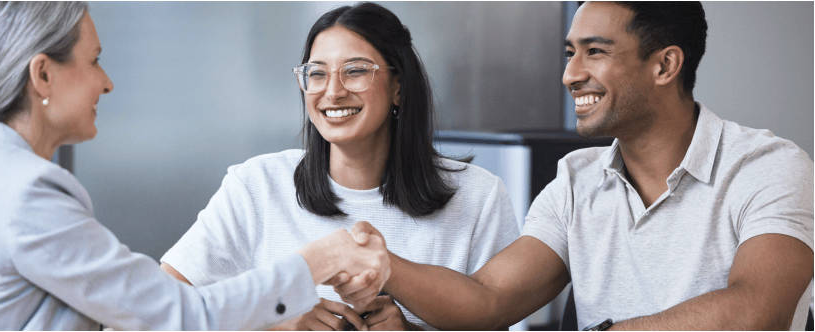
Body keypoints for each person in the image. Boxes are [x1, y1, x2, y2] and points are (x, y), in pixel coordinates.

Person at [338, 1, 814, 330]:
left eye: (595, 51)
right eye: (570, 53)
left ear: (665, 66)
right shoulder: (575, 179)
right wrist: (385, 267)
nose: (571, 75)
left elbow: (758, 313)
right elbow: (488, 299)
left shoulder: (768, 167)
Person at [0, 2, 389, 330]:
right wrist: (320, 261)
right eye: (95, 60)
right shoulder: (25, 193)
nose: (107, 83)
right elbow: (179, 316)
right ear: (42, 74)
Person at [159, 2, 520, 331]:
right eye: (317, 74)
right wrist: (272, 323)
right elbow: (157, 313)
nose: (332, 92)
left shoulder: (479, 196)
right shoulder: (255, 186)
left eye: (355, 71)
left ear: (399, 86)